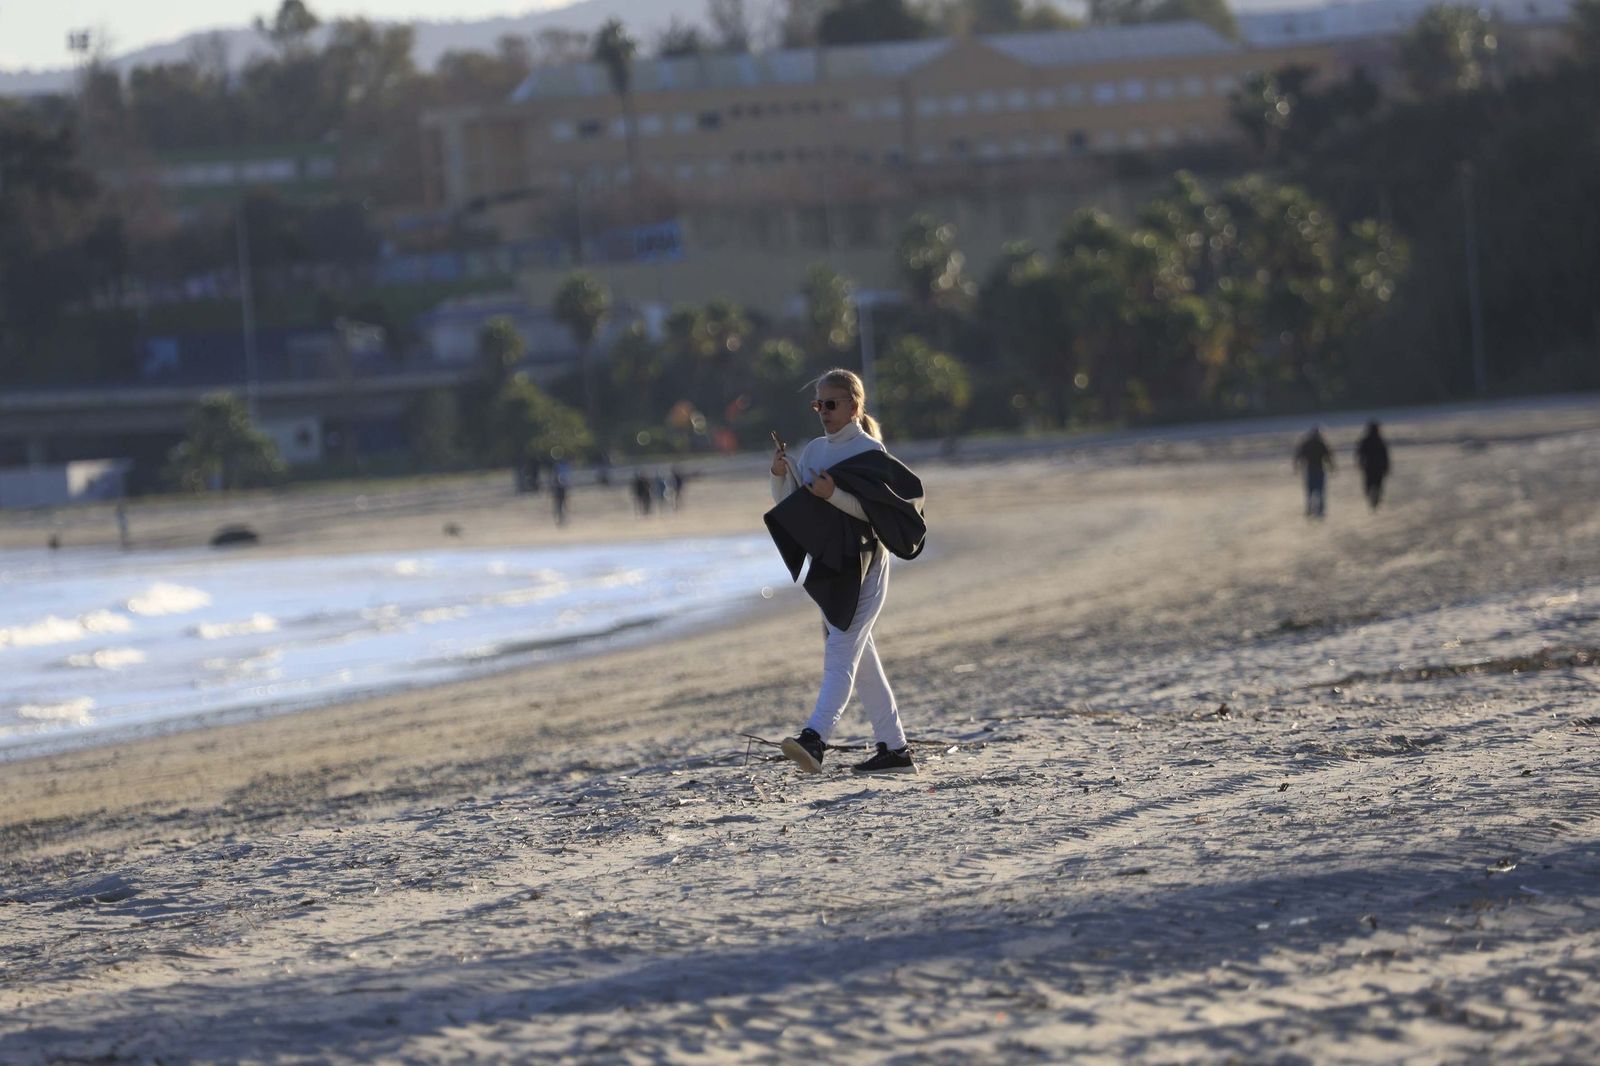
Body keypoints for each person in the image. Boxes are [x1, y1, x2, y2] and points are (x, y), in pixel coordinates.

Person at [767, 368, 927, 776]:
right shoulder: (816, 451)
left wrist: (834, 494)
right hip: (832, 565)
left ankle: (815, 738)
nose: (823, 411)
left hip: (866, 566)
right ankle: (895, 750)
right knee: (860, 655)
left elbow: (874, 515)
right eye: (818, 404)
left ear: (854, 406)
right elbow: (797, 504)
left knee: (840, 650)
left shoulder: (871, 453)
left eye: (832, 404)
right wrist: (781, 475)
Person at [1293, 426, 1335, 518]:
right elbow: (1328, 457)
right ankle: (1320, 509)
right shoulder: (1321, 444)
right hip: (1319, 469)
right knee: (1320, 491)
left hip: (1309, 470)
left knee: (1310, 491)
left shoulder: (1306, 444)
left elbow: (1298, 455)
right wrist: (1332, 468)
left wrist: (1296, 467)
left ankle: (1309, 509)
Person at [1356, 420, 1390, 511]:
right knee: (1378, 485)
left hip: (1368, 467)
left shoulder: (1365, 440)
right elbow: (1385, 455)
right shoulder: (1380, 440)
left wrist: (1360, 464)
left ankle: (1371, 500)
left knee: (1369, 485)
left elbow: (1359, 453)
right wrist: (1386, 467)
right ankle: (1376, 501)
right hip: (1378, 468)